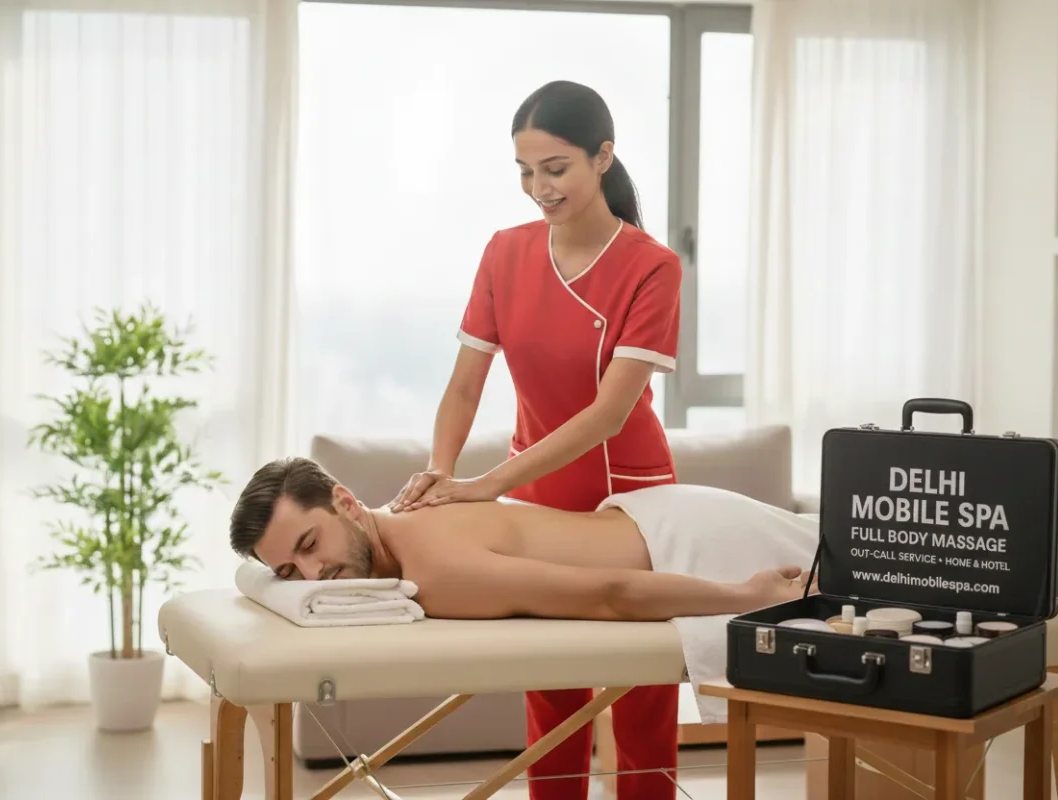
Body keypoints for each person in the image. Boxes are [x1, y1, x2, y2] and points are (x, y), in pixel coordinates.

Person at [385, 79, 685, 800]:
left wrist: (489, 483)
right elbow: (464, 386)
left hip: (633, 500)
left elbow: (611, 414)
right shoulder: (505, 253)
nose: (537, 187)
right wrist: (439, 474)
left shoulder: (652, 267)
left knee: (641, 693)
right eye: (525, 171)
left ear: (603, 156)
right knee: (552, 690)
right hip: (541, 499)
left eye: (555, 169)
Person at [229, 456, 814, 622]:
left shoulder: (433, 571)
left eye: (309, 546)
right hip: (658, 520)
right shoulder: (407, 518)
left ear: (346, 503)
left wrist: (745, 597)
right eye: (286, 575)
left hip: (692, 545)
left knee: (889, 569)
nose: (312, 579)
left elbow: (607, 594)